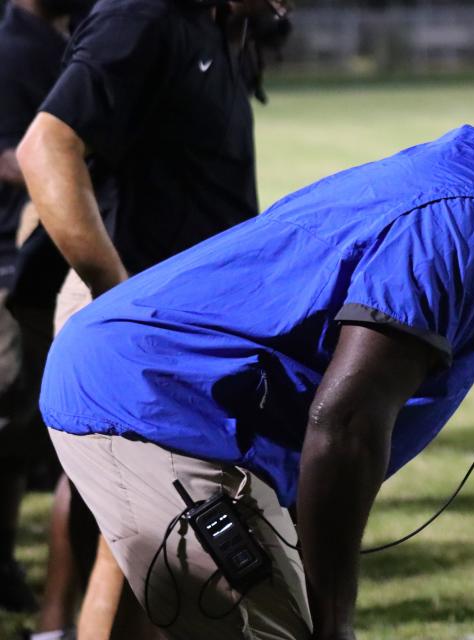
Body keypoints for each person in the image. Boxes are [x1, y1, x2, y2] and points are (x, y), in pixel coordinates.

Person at [34, 42, 474, 639]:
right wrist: (335, 620)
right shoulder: (468, 219)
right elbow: (347, 423)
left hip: (163, 393)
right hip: (154, 405)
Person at [15, 0, 285, 634]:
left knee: (130, 517)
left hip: (175, 317)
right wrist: (120, 300)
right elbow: (46, 146)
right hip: (136, 310)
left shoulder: (215, 29)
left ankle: (59, 624)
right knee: (144, 523)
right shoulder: (143, 14)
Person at [0, 0, 72, 618]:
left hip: (35, 261)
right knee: (9, 415)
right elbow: (14, 155)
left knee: (23, 424)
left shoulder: (57, 41)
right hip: (5, 261)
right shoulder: (10, 46)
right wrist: (69, 159)